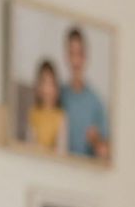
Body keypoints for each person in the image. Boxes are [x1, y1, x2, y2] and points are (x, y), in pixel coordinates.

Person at [60, 26, 110, 160]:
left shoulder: (96, 102)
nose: (76, 61)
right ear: (66, 56)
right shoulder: (58, 95)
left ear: (86, 56)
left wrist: (96, 141)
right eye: (72, 53)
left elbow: (106, 152)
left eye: (80, 54)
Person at [28, 59, 64, 154]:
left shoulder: (60, 117)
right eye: (44, 82)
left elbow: (61, 150)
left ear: (56, 87)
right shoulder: (33, 113)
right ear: (38, 86)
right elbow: (30, 144)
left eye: (51, 83)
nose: (47, 89)